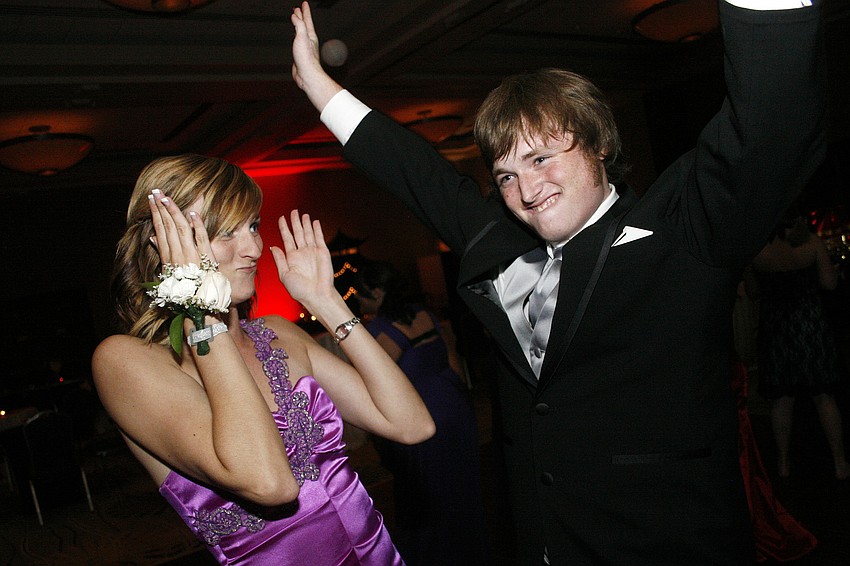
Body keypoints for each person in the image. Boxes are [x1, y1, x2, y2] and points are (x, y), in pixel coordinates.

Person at [291, 0, 826, 563]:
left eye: (542, 157)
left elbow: (771, 127)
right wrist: (319, 86)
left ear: (598, 143)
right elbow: (418, 174)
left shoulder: (682, 229)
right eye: (506, 175)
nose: (527, 189)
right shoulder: (501, 243)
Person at [91, 154, 435, 565]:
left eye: (252, 225)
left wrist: (325, 301)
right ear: (163, 246)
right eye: (223, 233)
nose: (254, 247)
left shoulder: (278, 332)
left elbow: (412, 425)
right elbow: (270, 483)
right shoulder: (125, 362)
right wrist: (200, 312)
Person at [354, 259, 489, 565]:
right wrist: (463, 401)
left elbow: (374, 386)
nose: (359, 302)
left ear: (376, 293)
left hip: (421, 417)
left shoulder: (379, 330)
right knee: (462, 489)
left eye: (361, 295)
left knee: (424, 496)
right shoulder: (424, 313)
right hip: (454, 407)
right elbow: (452, 358)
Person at [748, 213, 849, 481]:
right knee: (823, 396)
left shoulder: (758, 248)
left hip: (777, 327)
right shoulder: (812, 244)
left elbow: (753, 291)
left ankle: (783, 463)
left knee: (782, 400)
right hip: (810, 326)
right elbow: (829, 283)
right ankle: (840, 462)